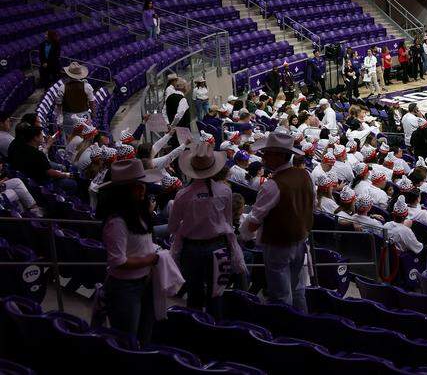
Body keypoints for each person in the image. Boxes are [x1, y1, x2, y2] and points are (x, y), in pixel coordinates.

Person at [169, 139, 244, 314]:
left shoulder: (182, 195)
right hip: (218, 247)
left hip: (191, 249)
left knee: (194, 295)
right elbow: (227, 222)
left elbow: (172, 227)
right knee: (216, 294)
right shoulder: (225, 191)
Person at [246, 132, 312, 311]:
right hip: (299, 241)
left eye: (268, 153)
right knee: (297, 289)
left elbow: (254, 221)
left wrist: (242, 235)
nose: (264, 157)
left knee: (280, 294)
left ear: (280, 156)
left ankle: (284, 331)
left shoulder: (272, 185)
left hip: (277, 245)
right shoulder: (305, 176)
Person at [99, 160, 161, 345]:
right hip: (124, 287)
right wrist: (150, 259)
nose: (143, 190)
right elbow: (118, 261)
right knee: (126, 338)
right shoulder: (116, 222)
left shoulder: (139, 214)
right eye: (137, 187)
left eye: (143, 186)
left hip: (145, 282)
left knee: (145, 333)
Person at [6, 121, 74, 192]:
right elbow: (50, 172)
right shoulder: (34, 153)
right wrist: (68, 175)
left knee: (62, 168)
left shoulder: (15, 144)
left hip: (33, 173)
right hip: (43, 181)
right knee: (72, 182)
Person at [59, 62, 96, 136]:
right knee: (86, 136)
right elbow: (92, 102)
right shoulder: (87, 86)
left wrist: (60, 118)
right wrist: (93, 113)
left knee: (71, 137)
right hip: (84, 115)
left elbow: (59, 104)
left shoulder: (62, 88)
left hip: (69, 117)